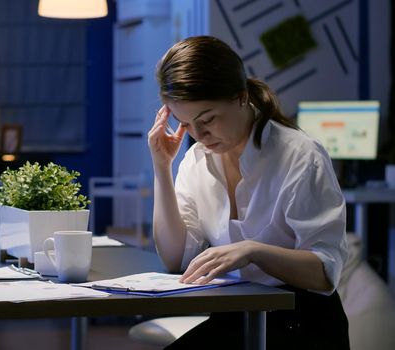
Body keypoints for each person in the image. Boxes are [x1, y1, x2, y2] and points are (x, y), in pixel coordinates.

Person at [148, 36, 349, 349]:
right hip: (237, 317)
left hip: (302, 324)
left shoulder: (300, 155)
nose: (199, 135)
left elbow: (325, 272)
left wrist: (254, 250)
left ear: (241, 97)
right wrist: (162, 168)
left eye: (208, 119)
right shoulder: (197, 160)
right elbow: (175, 258)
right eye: (186, 123)